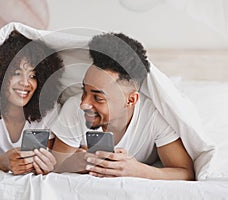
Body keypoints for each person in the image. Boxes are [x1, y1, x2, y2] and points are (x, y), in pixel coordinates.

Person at [51, 33, 195, 180]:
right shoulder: (74, 108)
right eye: (84, 91)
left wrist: (136, 170)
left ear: (131, 100)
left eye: (98, 98)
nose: (84, 104)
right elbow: (57, 164)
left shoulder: (155, 115)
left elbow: (185, 173)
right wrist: (78, 161)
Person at [0, 30, 64, 175]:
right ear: (0, 75)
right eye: (17, 73)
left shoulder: (50, 112)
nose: (26, 83)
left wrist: (48, 165)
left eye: (33, 75)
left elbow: (50, 163)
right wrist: (5, 162)